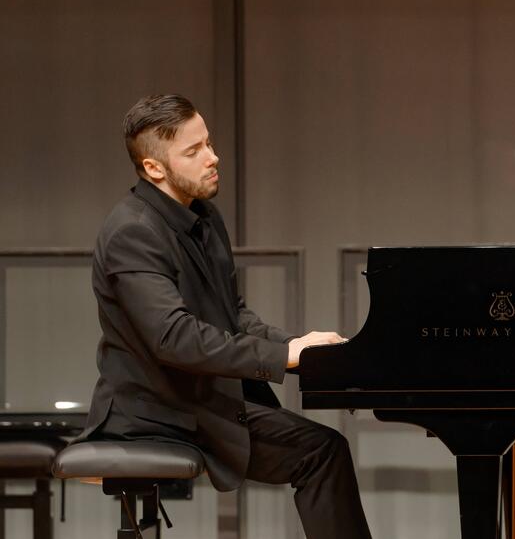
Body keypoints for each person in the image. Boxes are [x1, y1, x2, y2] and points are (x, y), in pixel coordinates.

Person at [77, 94, 372, 539]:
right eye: (193, 151)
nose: (213, 158)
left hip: (193, 395)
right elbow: (173, 338)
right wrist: (282, 356)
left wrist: (299, 347)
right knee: (322, 451)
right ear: (154, 168)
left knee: (324, 449)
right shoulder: (132, 232)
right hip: (155, 409)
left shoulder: (204, 216)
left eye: (209, 143)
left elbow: (232, 314)